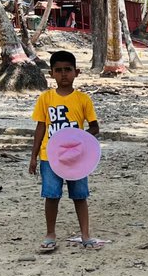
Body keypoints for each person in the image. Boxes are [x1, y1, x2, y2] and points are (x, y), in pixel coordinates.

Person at [28, 50, 101, 252]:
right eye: (58, 71)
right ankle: (50, 233)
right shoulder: (45, 98)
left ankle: (85, 234)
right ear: (51, 74)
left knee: (80, 195)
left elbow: (95, 127)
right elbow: (40, 127)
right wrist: (33, 156)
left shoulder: (83, 100)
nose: (64, 75)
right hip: (50, 157)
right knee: (51, 195)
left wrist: (83, 139)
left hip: (77, 158)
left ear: (76, 72)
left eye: (67, 70)